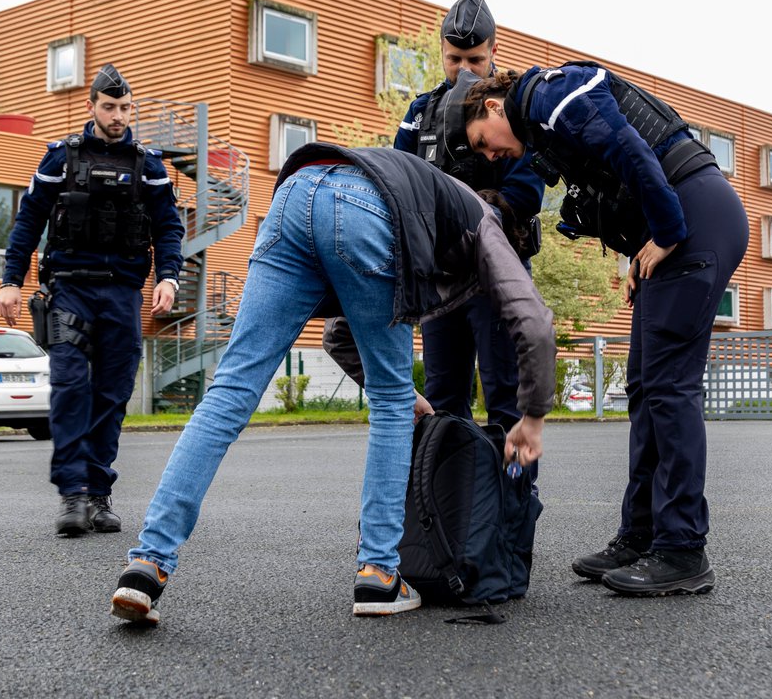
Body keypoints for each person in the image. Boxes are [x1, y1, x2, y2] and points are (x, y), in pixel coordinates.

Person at [109, 143, 555, 625]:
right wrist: (532, 416)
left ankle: (147, 564)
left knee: (229, 392)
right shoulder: (485, 222)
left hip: (293, 196)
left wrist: (409, 395)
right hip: (362, 203)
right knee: (388, 406)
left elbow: (339, 334)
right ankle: (380, 573)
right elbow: (534, 322)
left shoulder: (433, 202)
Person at [458, 62, 749, 597]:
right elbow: (620, 181)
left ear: (494, 108)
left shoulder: (550, 97)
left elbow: (633, 153)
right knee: (643, 387)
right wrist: (640, 258)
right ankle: (640, 536)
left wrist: (665, 234)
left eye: (483, 142)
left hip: (696, 217)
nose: (489, 155)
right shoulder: (541, 123)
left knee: (668, 389)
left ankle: (682, 549)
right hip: (675, 227)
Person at [0, 64, 185, 537]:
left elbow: (168, 228)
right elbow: (28, 222)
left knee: (111, 396)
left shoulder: (151, 166)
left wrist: (169, 278)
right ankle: (73, 496)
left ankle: (99, 495)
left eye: (124, 108)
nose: (118, 116)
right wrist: (11, 280)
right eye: (109, 107)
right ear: (92, 107)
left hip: (122, 293)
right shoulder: (60, 159)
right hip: (69, 290)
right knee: (70, 389)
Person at [394, 0, 546, 445]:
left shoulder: (513, 106)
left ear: (494, 51)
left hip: (496, 271)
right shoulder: (420, 113)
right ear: (441, 52)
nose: (464, 70)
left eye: (475, 60)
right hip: (442, 278)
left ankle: (512, 510)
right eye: (455, 58)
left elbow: (525, 193)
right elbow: (399, 183)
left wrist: (463, 208)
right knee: (443, 398)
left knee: (505, 396)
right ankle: (449, 505)